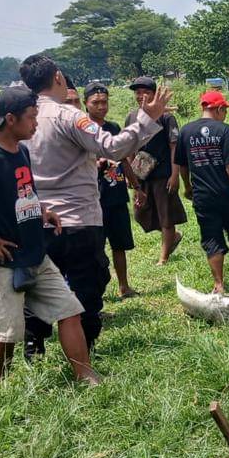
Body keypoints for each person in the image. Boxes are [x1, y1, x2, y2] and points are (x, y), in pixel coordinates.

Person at [0, 87, 100, 384]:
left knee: (70, 311)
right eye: (31, 117)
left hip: (34, 253)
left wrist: (42, 209)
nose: (36, 124)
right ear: (10, 119)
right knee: (6, 333)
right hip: (1, 259)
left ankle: (85, 375)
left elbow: (23, 191)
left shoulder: (21, 151)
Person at [16, 54, 169, 359]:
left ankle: (34, 349)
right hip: (78, 219)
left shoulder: (22, 118)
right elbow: (112, 147)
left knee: (39, 287)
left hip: (35, 218)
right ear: (58, 77)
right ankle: (82, 353)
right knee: (87, 286)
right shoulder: (67, 116)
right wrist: (146, 119)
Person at [174, 91, 229, 294]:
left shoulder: (186, 131)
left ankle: (219, 284)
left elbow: (183, 166)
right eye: (225, 110)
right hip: (227, 194)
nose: (225, 115)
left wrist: (188, 187)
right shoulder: (225, 130)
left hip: (203, 196)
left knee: (211, 237)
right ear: (219, 109)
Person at [85, 82, 141, 298]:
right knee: (95, 249)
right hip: (92, 199)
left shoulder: (113, 128)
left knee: (119, 244)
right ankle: (96, 293)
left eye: (104, 102)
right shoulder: (81, 129)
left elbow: (124, 159)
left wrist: (136, 186)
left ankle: (124, 286)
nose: (101, 106)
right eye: (96, 103)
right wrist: (97, 163)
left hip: (116, 195)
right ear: (86, 104)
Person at [126, 76, 186, 265]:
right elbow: (128, 147)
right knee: (141, 214)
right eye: (138, 92)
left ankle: (163, 257)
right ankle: (173, 236)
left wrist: (175, 175)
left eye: (146, 92)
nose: (141, 96)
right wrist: (131, 174)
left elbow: (174, 146)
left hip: (163, 174)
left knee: (166, 216)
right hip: (142, 174)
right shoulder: (132, 117)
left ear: (155, 95)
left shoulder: (167, 117)